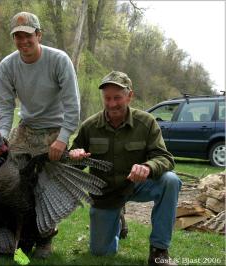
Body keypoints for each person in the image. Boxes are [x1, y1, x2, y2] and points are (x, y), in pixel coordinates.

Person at [69, 71, 181, 266]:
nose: (112, 104)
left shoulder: (146, 122)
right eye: (107, 98)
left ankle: (159, 250)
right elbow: (71, 165)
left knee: (170, 181)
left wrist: (148, 167)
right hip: (106, 193)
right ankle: (118, 218)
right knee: (100, 253)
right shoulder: (89, 126)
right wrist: (74, 156)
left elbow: (165, 158)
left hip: (137, 185)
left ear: (130, 96)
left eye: (117, 98)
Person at [0, 11, 80, 259]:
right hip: (26, 127)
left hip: (55, 129)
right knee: (7, 182)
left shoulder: (59, 60)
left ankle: (44, 239)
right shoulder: (8, 65)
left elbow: (72, 105)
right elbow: (3, 104)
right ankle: (11, 238)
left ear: (39, 35)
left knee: (46, 188)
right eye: (18, 36)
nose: (23, 42)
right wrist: (2, 136)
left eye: (28, 36)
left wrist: (62, 138)